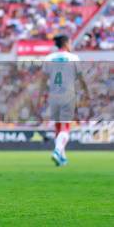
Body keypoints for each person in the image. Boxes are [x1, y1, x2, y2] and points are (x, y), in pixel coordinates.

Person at [42, 35, 87, 167]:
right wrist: (86, 91)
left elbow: (43, 80)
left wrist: (41, 95)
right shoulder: (73, 58)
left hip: (53, 95)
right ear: (66, 43)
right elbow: (81, 77)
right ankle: (57, 151)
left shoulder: (49, 58)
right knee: (65, 128)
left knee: (58, 128)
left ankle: (62, 157)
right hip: (67, 94)